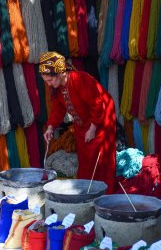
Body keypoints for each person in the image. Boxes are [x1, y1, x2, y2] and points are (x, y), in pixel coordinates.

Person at [39, 51, 116, 194]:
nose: (49, 84)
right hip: (81, 122)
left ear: (61, 73)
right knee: (85, 158)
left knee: (100, 158)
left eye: (50, 80)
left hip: (101, 118)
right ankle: (86, 193)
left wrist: (93, 128)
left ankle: (105, 194)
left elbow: (98, 104)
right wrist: (50, 127)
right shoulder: (58, 88)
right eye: (46, 81)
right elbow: (58, 109)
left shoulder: (80, 80)